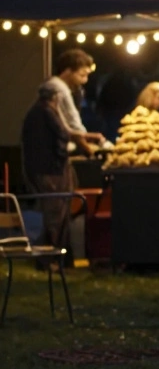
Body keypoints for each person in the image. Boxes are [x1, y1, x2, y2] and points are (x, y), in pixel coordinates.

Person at [21, 86, 88, 251]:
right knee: (55, 213)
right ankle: (50, 254)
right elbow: (62, 134)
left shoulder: (37, 111)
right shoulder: (46, 112)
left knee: (56, 212)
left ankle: (54, 253)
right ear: (55, 98)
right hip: (50, 170)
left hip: (43, 168)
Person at [42, 49, 104, 153]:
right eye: (82, 75)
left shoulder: (62, 89)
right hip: (60, 149)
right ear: (68, 71)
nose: (85, 80)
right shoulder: (60, 90)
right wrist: (87, 142)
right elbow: (72, 122)